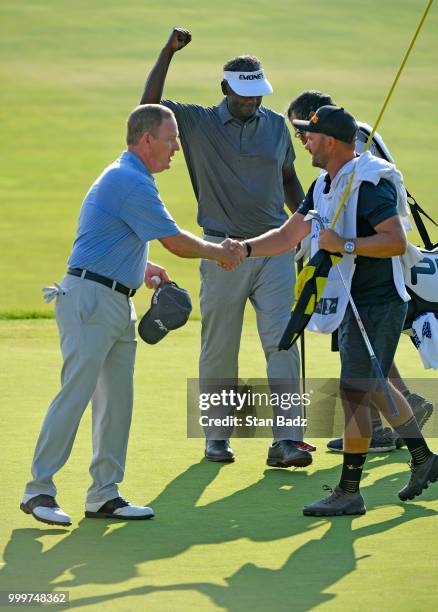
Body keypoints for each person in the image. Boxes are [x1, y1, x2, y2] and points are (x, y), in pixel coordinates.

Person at [21, 104, 242, 527]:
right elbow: (174, 242)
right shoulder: (129, 180)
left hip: (115, 300)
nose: (177, 147)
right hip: (90, 300)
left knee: (116, 401)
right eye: (171, 138)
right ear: (147, 140)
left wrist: (141, 269)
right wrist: (220, 252)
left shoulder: (131, 177)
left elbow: (108, 239)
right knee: (77, 394)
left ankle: (104, 494)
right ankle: (39, 491)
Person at [224, 105, 438, 515]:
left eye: (310, 135)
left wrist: (347, 244)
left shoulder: (372, 183)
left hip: (380, 302)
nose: (304, 140)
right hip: (351, 303)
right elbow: (291, 233)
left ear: (333, 142)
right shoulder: (324, 184)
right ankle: (423, 460)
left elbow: (395, 242)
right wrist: (246, 248)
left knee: (357, 390)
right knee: (366, 386)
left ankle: (351, 491)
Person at [140, 27, 313, 467]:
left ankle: (287, 440)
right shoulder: (196, 122)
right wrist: (167, 53)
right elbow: (146, 109)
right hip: (220, 251)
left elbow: (289, 180)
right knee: (220, 346)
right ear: (225, 89)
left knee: (282, 342)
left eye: (257, 95)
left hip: (273, 249)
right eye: (243, 96)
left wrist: (307, 225)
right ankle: (217, 436)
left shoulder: (275, 125)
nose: (252, 102)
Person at [287, 90, 434, 453]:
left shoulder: (358, 145)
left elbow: (376, 211)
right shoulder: (347, 138)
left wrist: (340, 242)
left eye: (303, 130)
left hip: (376, 271)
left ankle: (388, 427)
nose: (302, 140)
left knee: (366, 368)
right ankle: (399, 427)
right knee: (365, 362)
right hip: (350, 271)